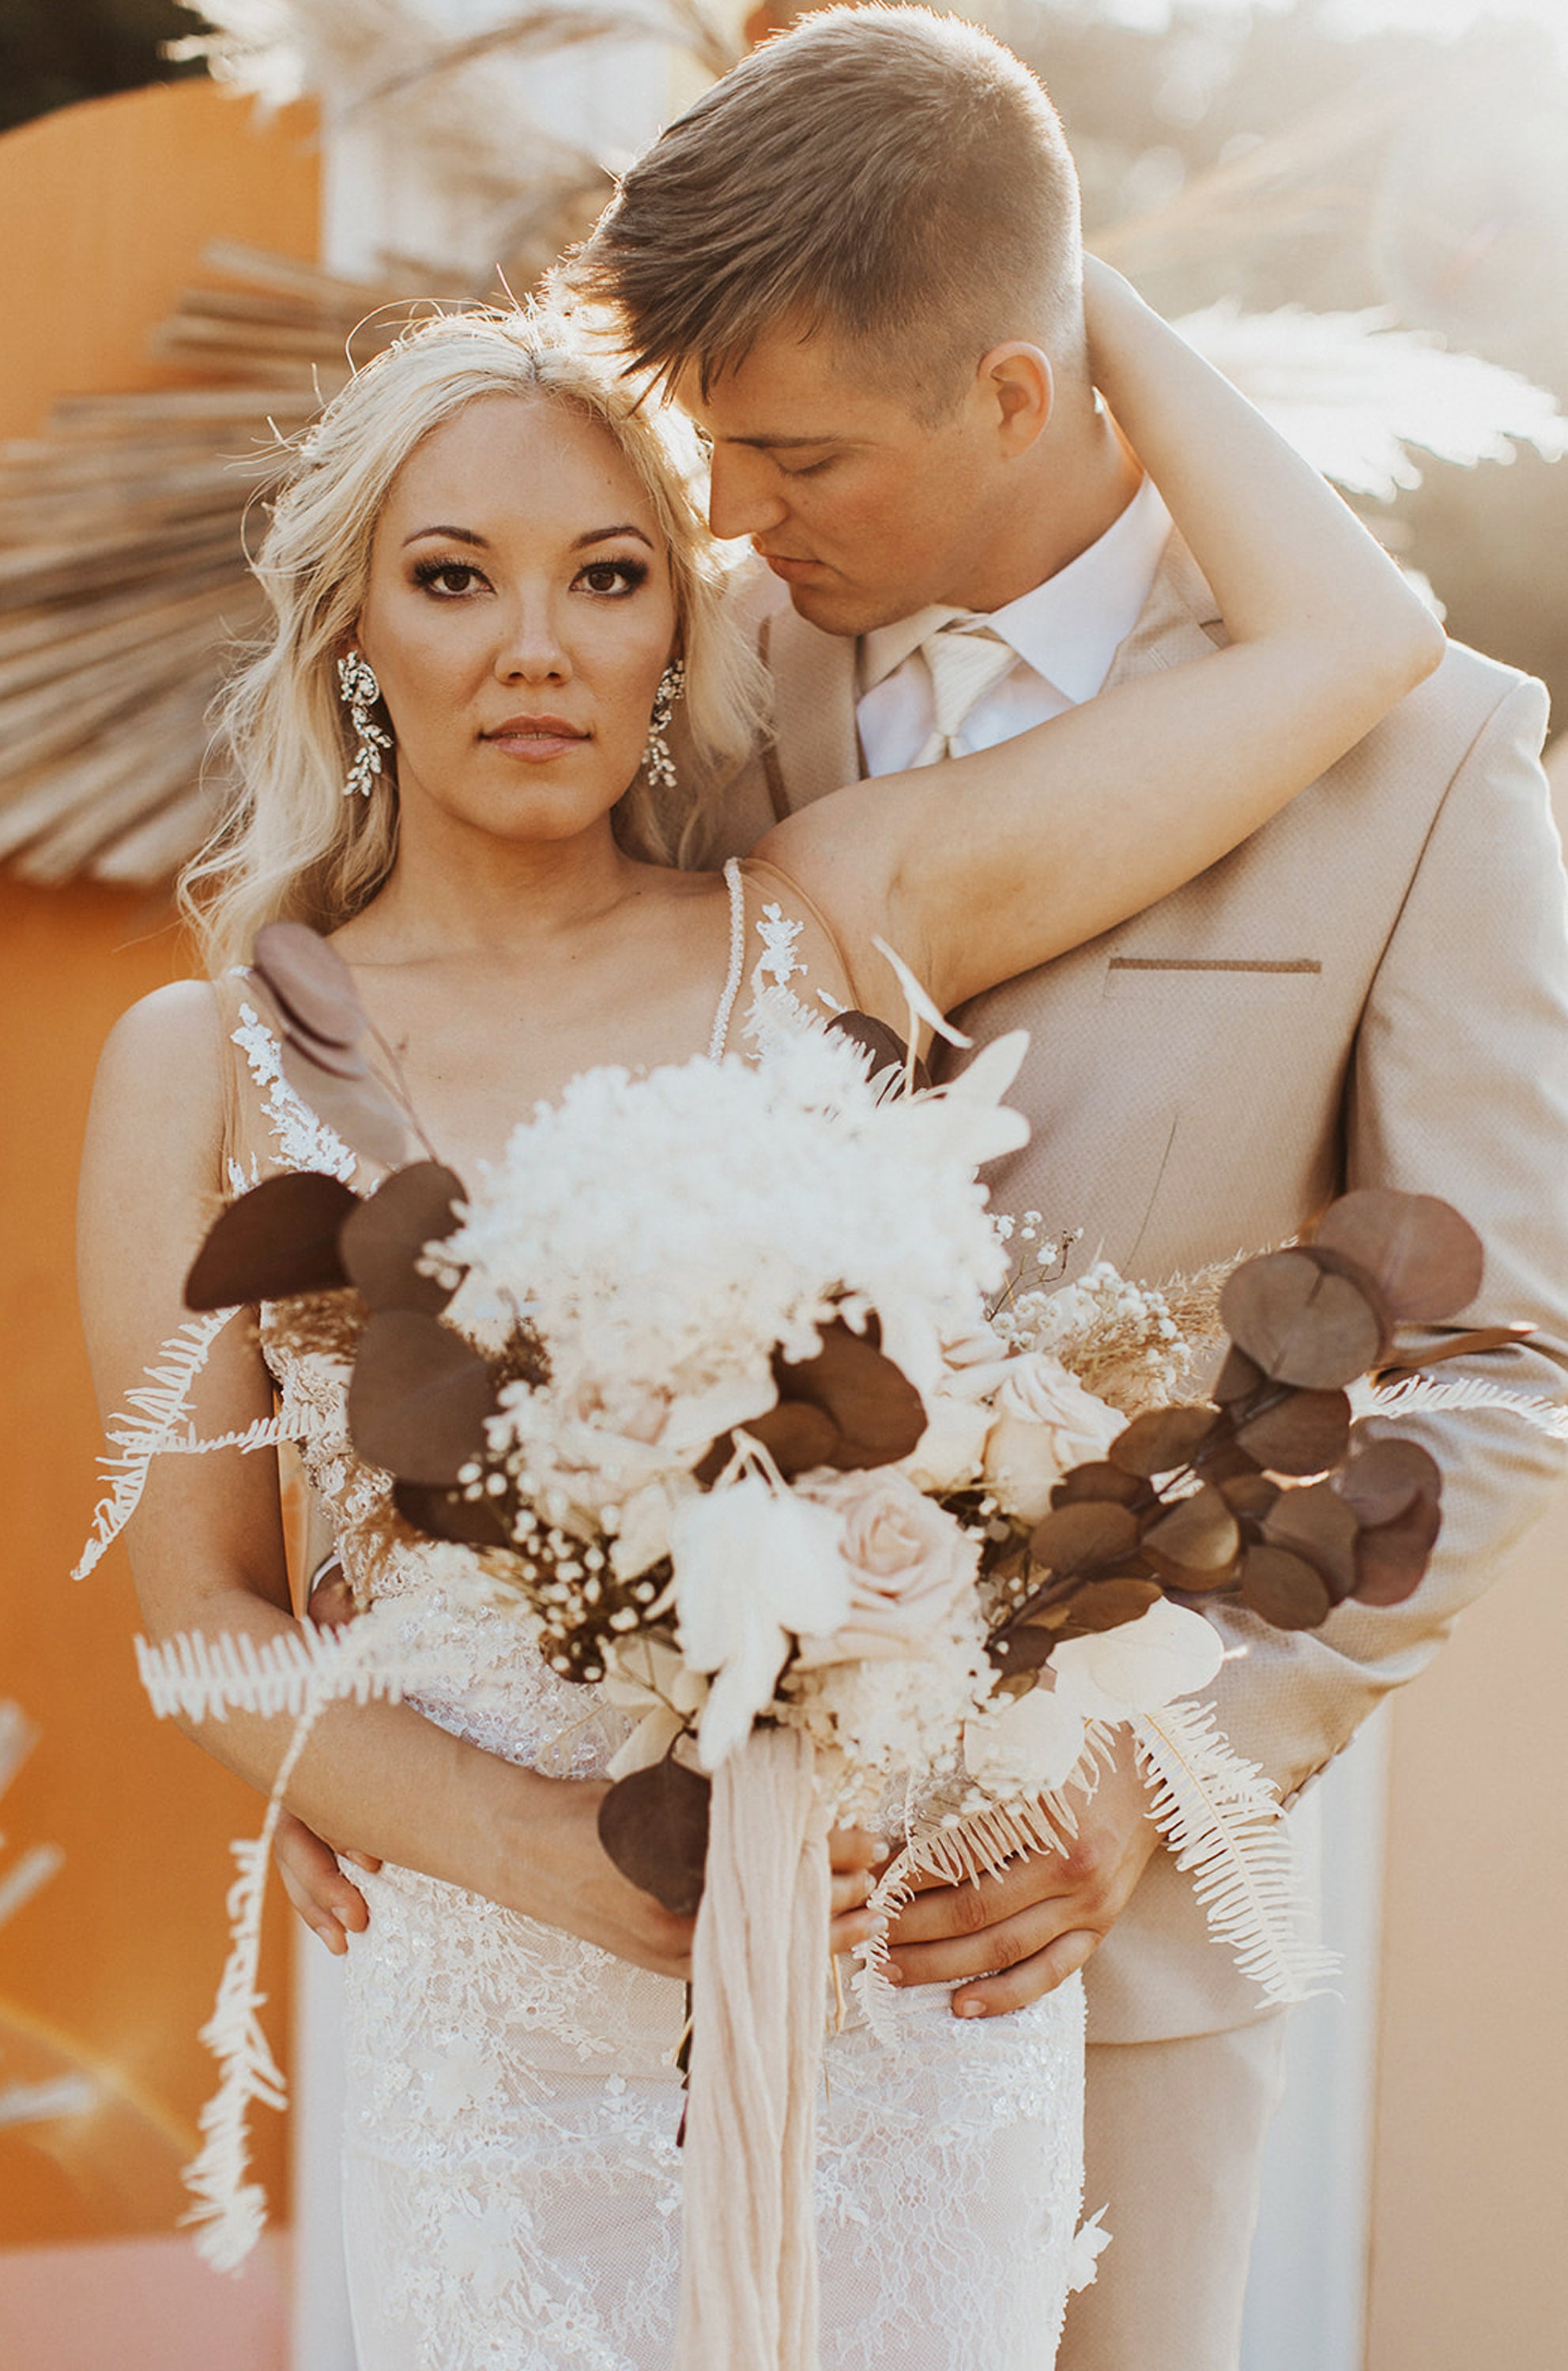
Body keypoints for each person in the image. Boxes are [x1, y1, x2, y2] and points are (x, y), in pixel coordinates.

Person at [77, 253, 1438, 2367]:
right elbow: (198, 1620)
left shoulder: (825, 923)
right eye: (454, 580)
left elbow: (1357, 640)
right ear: (352, 628)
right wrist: (543, 1852)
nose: (536, 648)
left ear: (680, 623)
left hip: (884, 1983)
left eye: (609, 575)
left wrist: (1021, 254)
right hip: (495, 2022)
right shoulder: (207, 1056)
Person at [545, 10, 1568, 2368]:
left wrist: (1169, 1765)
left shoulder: (1422, 762)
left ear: (1021, 390)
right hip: (653, 1906)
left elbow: (1501, 1370)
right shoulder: (676, 691)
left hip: (1108, 1951)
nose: (740, 517)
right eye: (716, 450)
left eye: (800, 454)